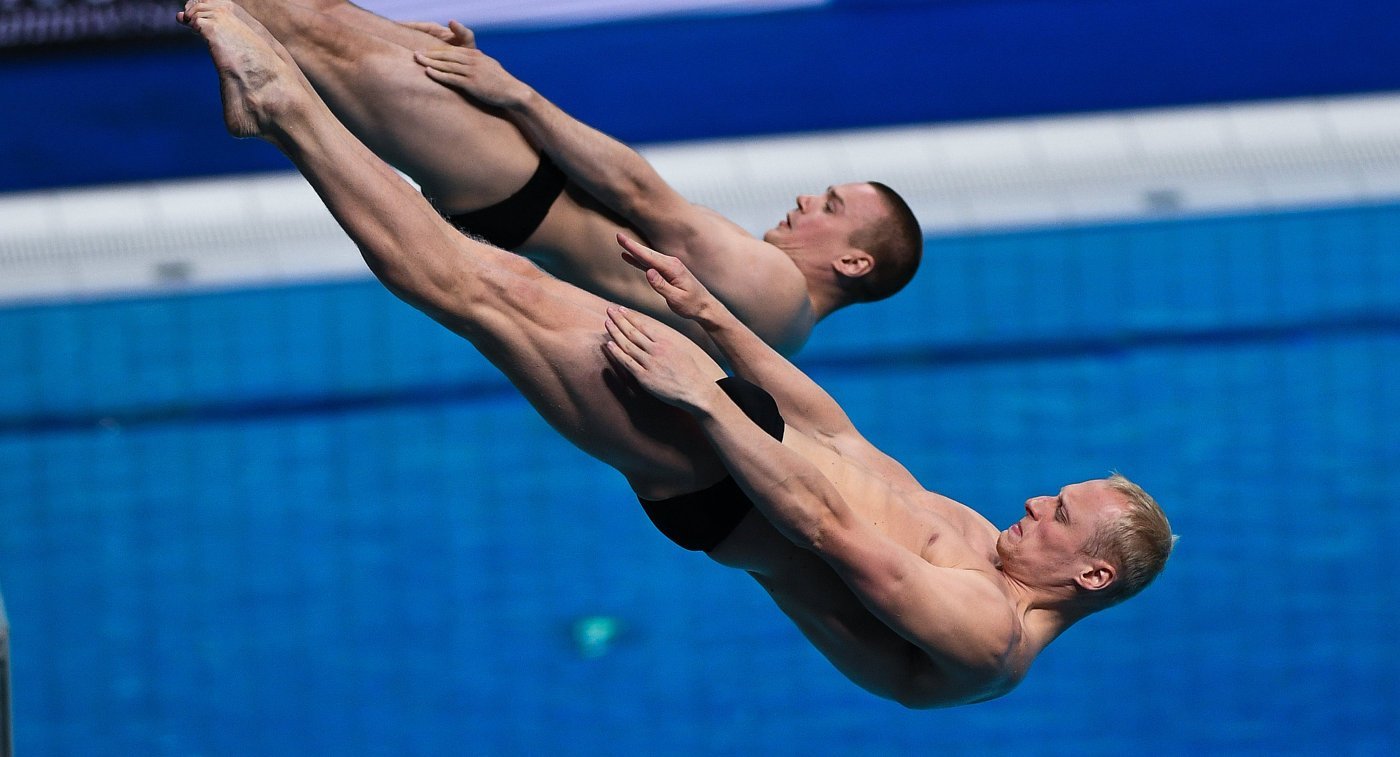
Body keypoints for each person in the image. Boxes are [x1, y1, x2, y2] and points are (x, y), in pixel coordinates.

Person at [179, 2, 1175, 708]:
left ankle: (284, 111)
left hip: (717, 471)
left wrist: (700, 400)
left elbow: (824, 527)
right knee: (494, 286)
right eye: (1054, 492)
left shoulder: (982, 641)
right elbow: (836, 433)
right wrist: (711, 319)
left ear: (1087, 575)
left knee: (479, 293)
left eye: (1057, 513)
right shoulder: (970, 535)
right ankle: (284, 102)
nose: (1034, 502)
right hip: (734, 420)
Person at [211, 0, 923, 356]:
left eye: (830, 204)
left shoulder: (773, 284)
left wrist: (511, 91)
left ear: (854, 260)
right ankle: (266, 102)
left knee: (306, 26)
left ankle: (267, 103)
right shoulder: (778, 333)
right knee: (314, 19)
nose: (806, 198)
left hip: (514, 179)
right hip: (512, 203)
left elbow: (641, 195)